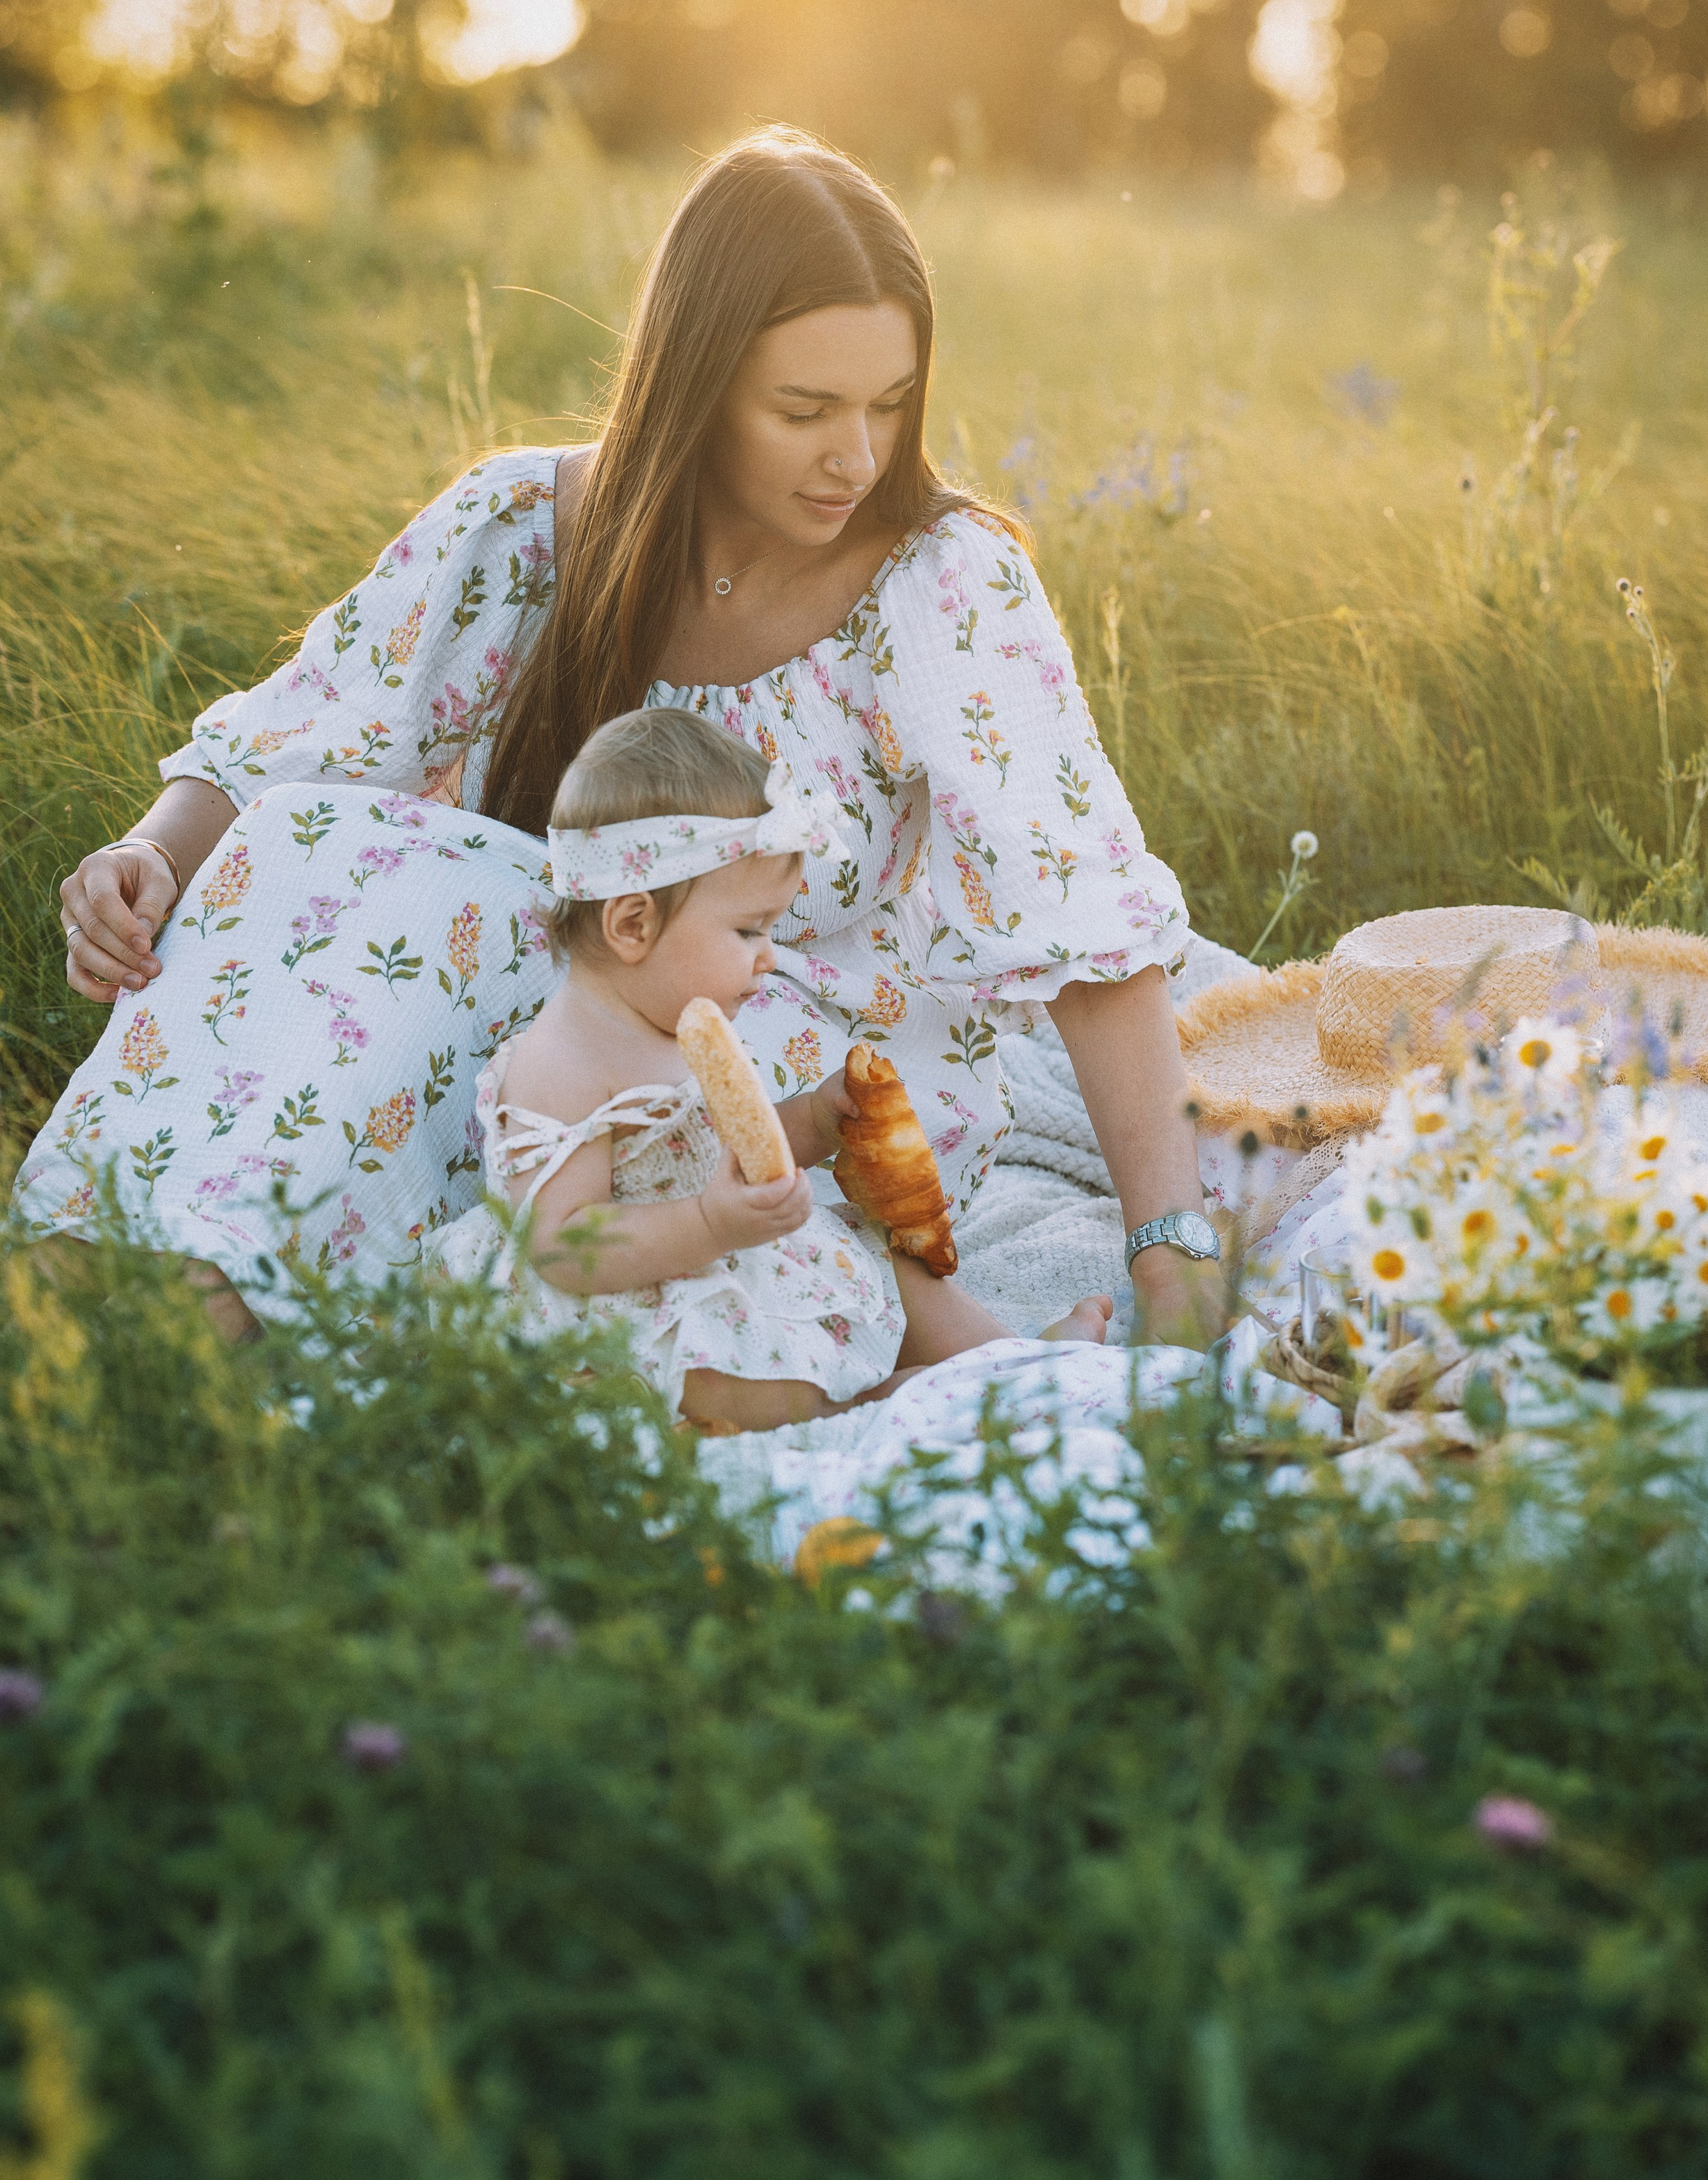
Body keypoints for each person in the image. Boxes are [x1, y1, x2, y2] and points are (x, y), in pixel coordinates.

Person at [21, 127, 1227, 1348]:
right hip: (557, 1026)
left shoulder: (943, 587)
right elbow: (289, 743)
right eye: (804, 409)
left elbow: (1090, 927)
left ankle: (216, 1312)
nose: (855, 457)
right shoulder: (523, 525)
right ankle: (126, 1256)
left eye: (890, 405)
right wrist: (155, 855)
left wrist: (1169, 1251)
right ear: (697, 385)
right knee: (323, 848)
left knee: (479, 927)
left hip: (803, 1066)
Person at [433, 707, 1112, 1429]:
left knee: (880, 1263)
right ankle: (883, 1407)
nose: (769, 956)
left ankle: (1017, 1366)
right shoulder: (560, 1064)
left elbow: (724, 1148)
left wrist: (813, 1121)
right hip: (623, 1303)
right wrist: (706, 1223)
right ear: (633, 925)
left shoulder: (678, 1021)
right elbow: (561, 1245)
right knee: (736, 1387)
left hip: (720, 1253)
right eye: (748, 930)